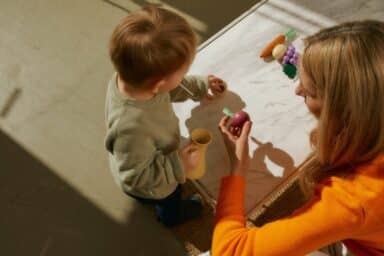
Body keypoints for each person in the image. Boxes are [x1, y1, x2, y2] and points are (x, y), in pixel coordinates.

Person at [214, 20, 384, 255]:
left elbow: (229, 250)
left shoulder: (353, 199)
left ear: (345, 111)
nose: (298, 91)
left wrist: (236, 169)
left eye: (311, 91)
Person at [104, 5, 225, 227]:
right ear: (159, 83)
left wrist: (200, 85)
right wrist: (179, 165)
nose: (184, 76)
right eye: (182, 73)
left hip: (151, 152)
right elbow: (135, 176)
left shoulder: (134, 78)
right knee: (170, 199)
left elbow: (170, 88)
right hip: (148, 179)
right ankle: (171, 216)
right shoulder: (131, 126)